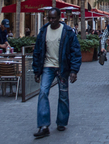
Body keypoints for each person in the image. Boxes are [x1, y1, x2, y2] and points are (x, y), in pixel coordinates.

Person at [32, 8, 81, 139]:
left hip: (62, 67)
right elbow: (37, 51)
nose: (51, 20)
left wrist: (74, 71)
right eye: (49, 18)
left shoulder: (67, 31)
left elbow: (75, 51)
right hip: (47, 67)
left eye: (53, 18)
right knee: (43, 92)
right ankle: (43, 125)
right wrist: (37, 71)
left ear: (59, 17)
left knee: (63, 95)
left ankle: (62, 122)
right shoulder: (43, 31)